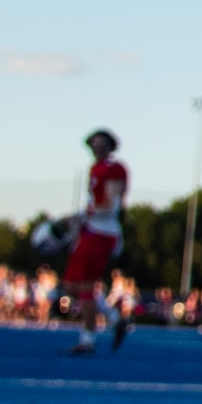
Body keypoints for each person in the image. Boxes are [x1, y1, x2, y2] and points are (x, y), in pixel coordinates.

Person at [65, 130, 129, 352]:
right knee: (73, 285)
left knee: (85, 286)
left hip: (102, 232)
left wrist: (82, 215)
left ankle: (88, 339)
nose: (98, 149)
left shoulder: (114, 169)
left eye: (102, 145)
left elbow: (110, 206)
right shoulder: (95, 169)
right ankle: (113, 319)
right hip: (92, 230)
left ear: (111, 146)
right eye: (94, 144)